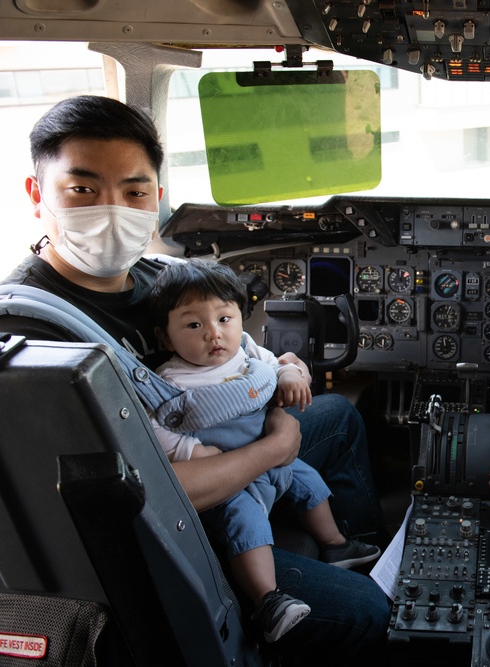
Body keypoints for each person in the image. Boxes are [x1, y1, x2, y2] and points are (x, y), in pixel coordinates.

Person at [0, 95, 389, 662]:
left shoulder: (158, 280)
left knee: (338, 416)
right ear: (37, 195)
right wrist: (274, 447)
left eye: (134, 190)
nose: (111, 208)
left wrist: (280, 387)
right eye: (82, 190)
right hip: (174, 531)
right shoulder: (29, 335)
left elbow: (232, 359)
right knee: (365, 612)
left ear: (156, 196)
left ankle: (347, 544)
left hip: (231, 448)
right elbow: (140, 499)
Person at [148, 258, 381, 642]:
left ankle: (337, 544)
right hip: (225, 478)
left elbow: (276, 364)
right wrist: (191, 451)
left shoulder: (245, 350)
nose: (213, 335)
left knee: (311, 478)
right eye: (194, 325)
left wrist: (292, 372)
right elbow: (155, 432)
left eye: (225, 319)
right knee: (246, 521)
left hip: (260, 443)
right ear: (166, 338)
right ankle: (268, 601)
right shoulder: (171, 382)